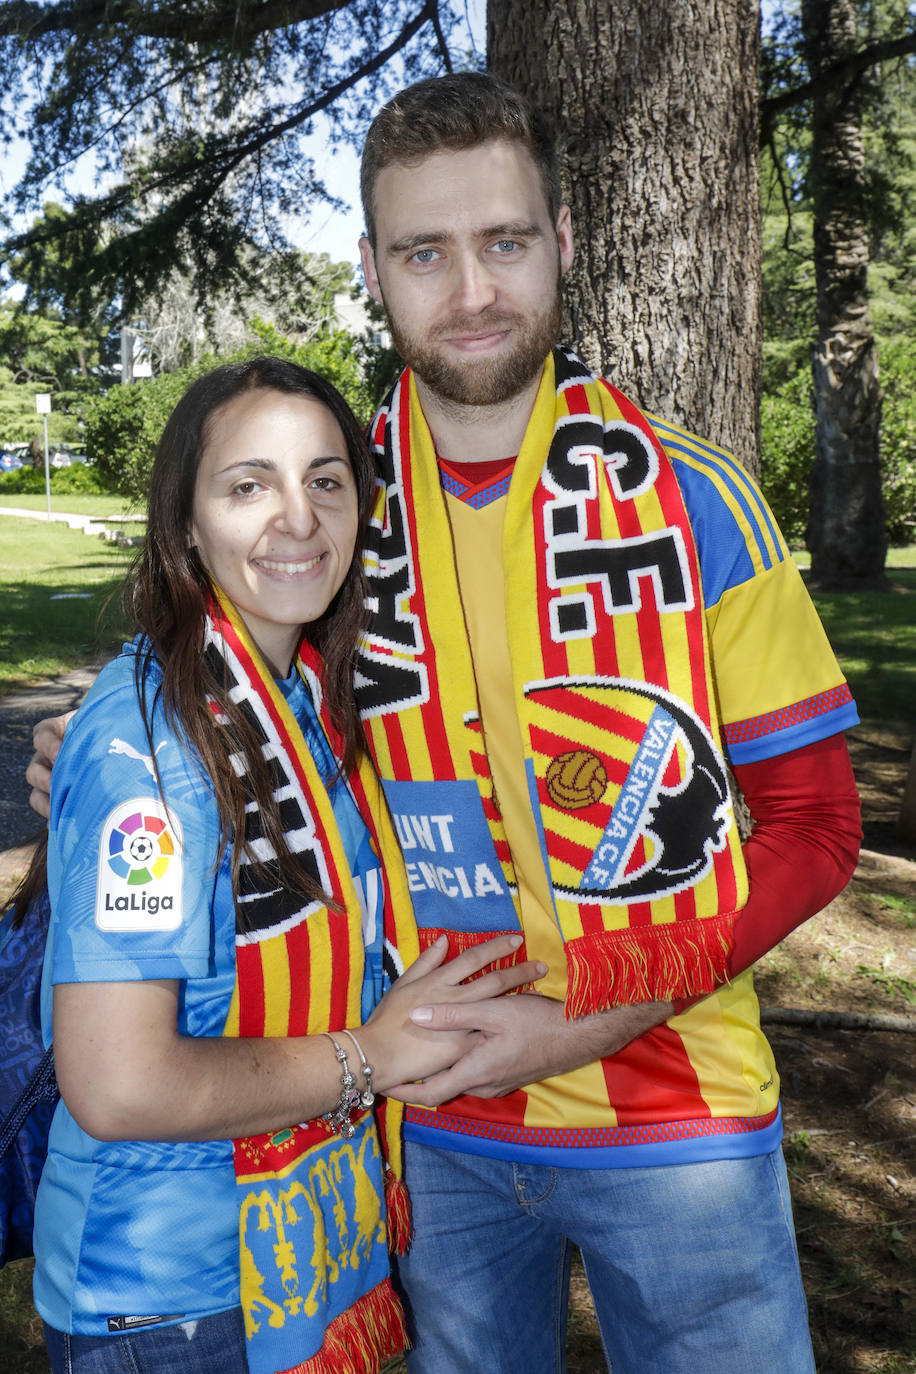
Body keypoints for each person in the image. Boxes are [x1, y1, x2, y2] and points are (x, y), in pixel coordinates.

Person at [29, 74, 862, 1374]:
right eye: (426, 251)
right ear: (373, 268)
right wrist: (108, 747)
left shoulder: (695, 499)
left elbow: (816, 823)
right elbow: (243, 694)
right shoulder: (348, 514)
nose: (470, 290)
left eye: (506, 242)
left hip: (681, 1133)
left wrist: (590, 1008)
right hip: (435, 1138)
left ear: (566, 241)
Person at [24, 356, 543, 1374]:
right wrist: (370, 1057)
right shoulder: (152, 747)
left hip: (282, 1273)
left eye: (324, 480)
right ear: (184, 521)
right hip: (172, 1304)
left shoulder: (298, 696)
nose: (296, 518)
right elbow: (120, 1085)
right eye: (248, 484)